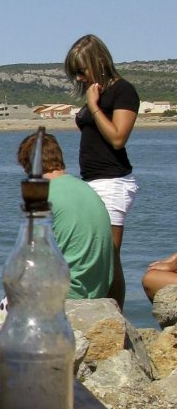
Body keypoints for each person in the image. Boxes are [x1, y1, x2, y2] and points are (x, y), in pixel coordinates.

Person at [0, 132, 114, 330]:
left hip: (65, 296)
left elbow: (30, 265)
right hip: (96, 292)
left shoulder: (44, 197)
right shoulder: (87, 190)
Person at [64, 34, 139, 310]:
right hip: (92, 182)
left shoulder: (123, 91)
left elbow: (118, 138)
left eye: (81, 70)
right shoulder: (97, 91)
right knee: (96, 253)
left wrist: (93, 107)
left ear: (98, 61)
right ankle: (99, 310)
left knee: (110, 254)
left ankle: (113, 317)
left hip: (114, 181)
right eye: (76, 73)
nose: (80, 78)